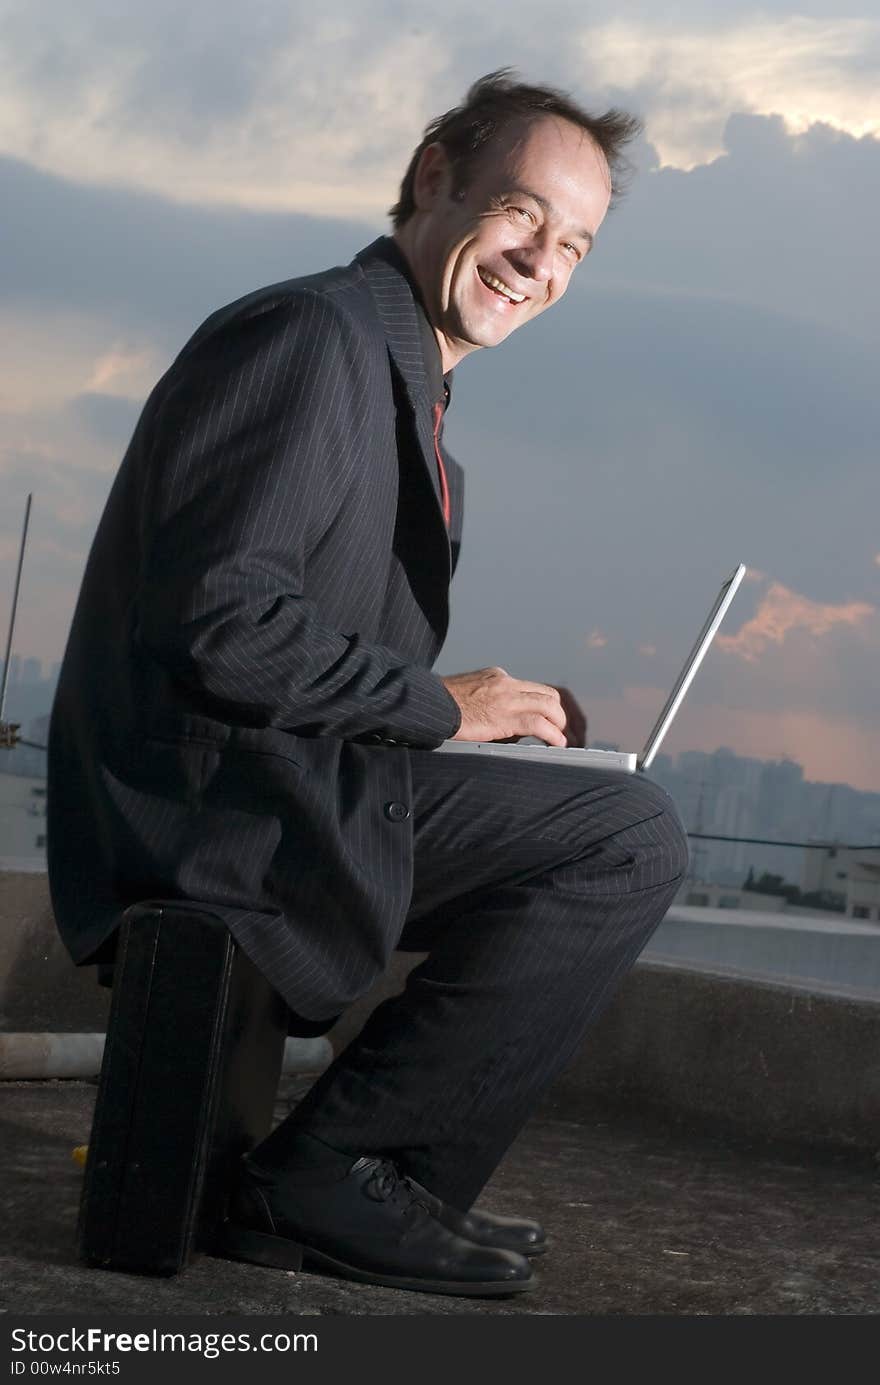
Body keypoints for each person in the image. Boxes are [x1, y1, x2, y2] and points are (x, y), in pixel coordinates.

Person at [47, 70, 689, 1299]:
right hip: (213, 816)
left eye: (572, 245)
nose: (538, 262)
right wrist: (442, 705)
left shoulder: (399, 381)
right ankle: (338, 1170)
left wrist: (475, 729)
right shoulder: (312, 337)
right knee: (625, 837)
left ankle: (361, 1178)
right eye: (518, 213)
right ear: (435, 174)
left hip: (274, 781)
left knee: (594, 811)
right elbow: (219, 623)